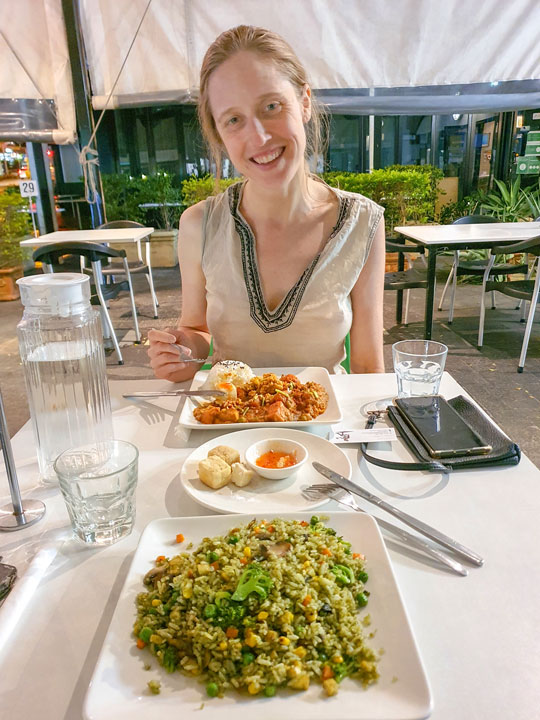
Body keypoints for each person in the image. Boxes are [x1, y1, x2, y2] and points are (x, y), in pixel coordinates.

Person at [148, 25, 385, 382]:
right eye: (234, 120)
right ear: (219, 133)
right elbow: (197, 328)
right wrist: (182, 350)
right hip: (226, 424)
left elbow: (368, 368)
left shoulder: (362, 222)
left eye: (271, 106)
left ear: (304, 102)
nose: (258, 137)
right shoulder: (200, 224)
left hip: (324, 426)